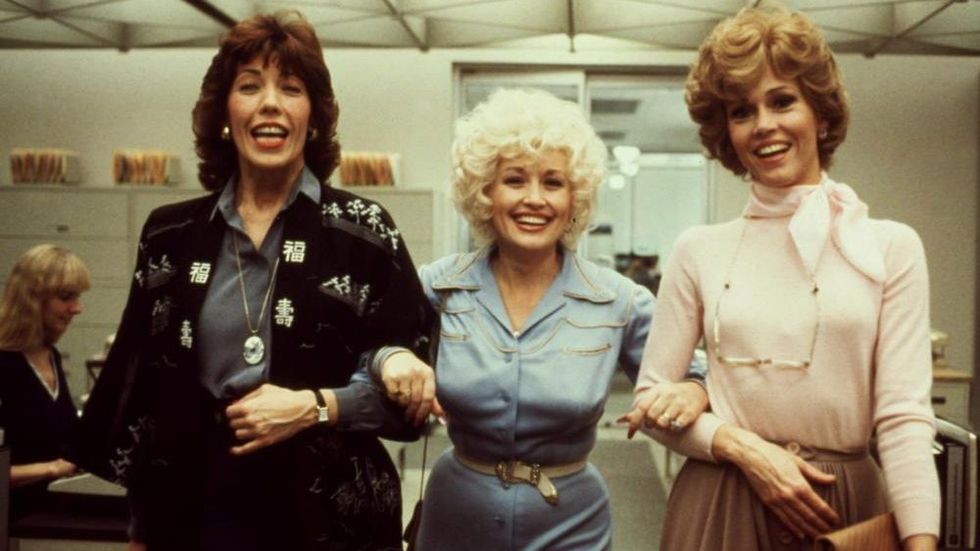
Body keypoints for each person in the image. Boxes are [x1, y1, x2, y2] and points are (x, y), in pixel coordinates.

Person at [71, 11, 436, 551]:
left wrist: (313, 407)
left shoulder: (364, 231)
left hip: (328, 515)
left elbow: (413, 401)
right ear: (225, 113)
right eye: (249, 86)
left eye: (291, 88)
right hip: (193, 508)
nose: (270, 103)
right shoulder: (170, 235)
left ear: (313, 117)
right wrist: (141, 526)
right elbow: (146, 391)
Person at [623, 5, 940, 550]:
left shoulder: (891, 247)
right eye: (742, 111)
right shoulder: (698, 250)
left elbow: (904, 420)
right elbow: (650, 405)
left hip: (843, 509)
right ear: (727, 132)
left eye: (782, 101)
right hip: (721, 500)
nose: (764, 125)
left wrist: (921, 542)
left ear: (821, 113)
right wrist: (740, 446)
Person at [375, 88, 708, 550]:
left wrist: (693, 389)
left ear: (575, 199)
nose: (534, 199)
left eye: (553, 183)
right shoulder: (438, 286)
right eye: (514, 180)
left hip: (571, 525)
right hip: (455, 517)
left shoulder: (619, 300)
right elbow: (371, 351)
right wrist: (389, 359)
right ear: (485, 192)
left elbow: (697, 375)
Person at [0, 244, 88, 520]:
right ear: (31, 299)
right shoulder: (5, 363)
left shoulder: (50, 355)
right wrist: (53, 468)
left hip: (49, 515)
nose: (77, 308)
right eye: (66, 297)